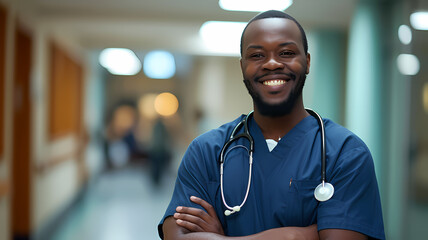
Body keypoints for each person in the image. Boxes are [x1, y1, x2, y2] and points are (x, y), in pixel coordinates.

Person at [158, 10, 385, 240]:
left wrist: (222, 238)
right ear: (242, 66)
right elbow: (176, 236)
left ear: (307, 62)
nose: (272, 63)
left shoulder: (345, 153)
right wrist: (301, 235)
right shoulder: (207, 151)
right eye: (257, 55)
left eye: (286, 53)